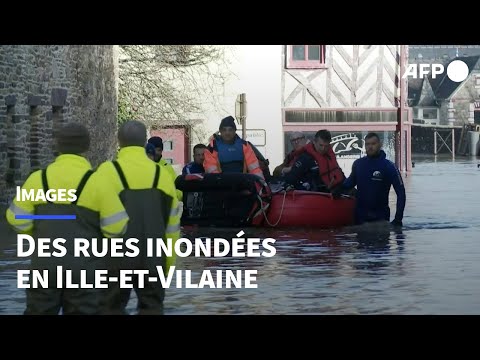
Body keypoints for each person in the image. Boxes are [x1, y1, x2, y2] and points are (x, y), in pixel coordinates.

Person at [5, 122, 129, 315]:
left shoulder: (38, 179)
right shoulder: (97, 182)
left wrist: (39, 231)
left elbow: (15, 219)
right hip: (85, 269)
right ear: (86, 147)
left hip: (44, 267)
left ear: (58, 146)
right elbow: (117, 226)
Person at [96, 120, 181, 315]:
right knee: (152, 309)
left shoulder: (106, 172)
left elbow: (91, 222)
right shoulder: (162, 175)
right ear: (145, 141)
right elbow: (172, 227)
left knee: (109, 309)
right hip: (153, 259)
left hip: (114, 262)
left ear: (119, 141)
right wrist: (166, 265)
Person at [338, 132, 406, 227]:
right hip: (360, 219)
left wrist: (398, 219)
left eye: (373, 144)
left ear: (380, 144)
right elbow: (348, 184)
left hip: (380, 220)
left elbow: (401, 193)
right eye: (367, 144)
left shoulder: (389, 166)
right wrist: (337, 189)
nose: (370, 147)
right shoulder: (358, 164)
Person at [203, 115, 265, 180]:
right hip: (220, 185)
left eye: (230, 130)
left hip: (242, 183)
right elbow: (211, 170)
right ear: (220, 131)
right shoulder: (212, 147)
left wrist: (260, 182)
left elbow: (254, 168)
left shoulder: (244, 145)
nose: (227, 133)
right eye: (224, 130)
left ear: (234, 131)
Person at [147, 136, 182, 201]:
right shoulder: (142, 165)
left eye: (159, 150)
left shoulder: (167, 167)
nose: (156, 152)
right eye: (154, 149)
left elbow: (176, 188)